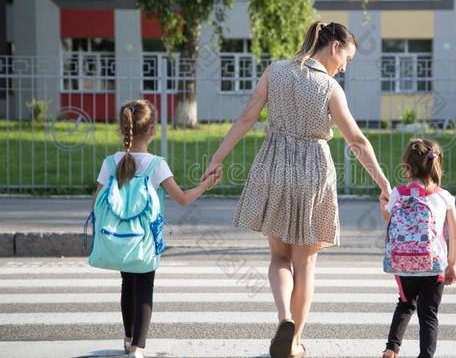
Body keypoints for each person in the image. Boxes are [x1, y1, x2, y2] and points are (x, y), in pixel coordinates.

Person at [201, 21, 391, 358]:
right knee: (305, 263)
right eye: (346, 58)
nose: (345, 66)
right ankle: (295, 341)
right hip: (312, 173)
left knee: (278, 257)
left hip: (273, 167)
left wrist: (217, 157)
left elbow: (246, 118)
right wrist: (382, 180)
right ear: (333, 47)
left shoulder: (275, 71)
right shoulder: (329, 88)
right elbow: (356, 141)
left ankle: (284, 318)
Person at [92, 99, 221, 358]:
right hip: (145, 239)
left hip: (118, 237)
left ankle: (129, 340)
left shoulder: (110, 162)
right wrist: (205, 186)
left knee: (127, 283)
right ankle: (138, 348)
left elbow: (96, 202)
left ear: (123, 129)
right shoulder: (155, 165)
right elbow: (182, 198)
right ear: (152, 129)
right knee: (144, 286)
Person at [380, 138, 456, 358]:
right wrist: (452, 264)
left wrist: (383, 204)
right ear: (436, 164)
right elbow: (455, 233)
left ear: (406, 166)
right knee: (428, 315)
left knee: (405, 304)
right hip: (434, 265)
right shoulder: (444, 197)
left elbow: (387, 217)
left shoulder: (398, 193)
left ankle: (391, 348)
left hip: (404, 263)